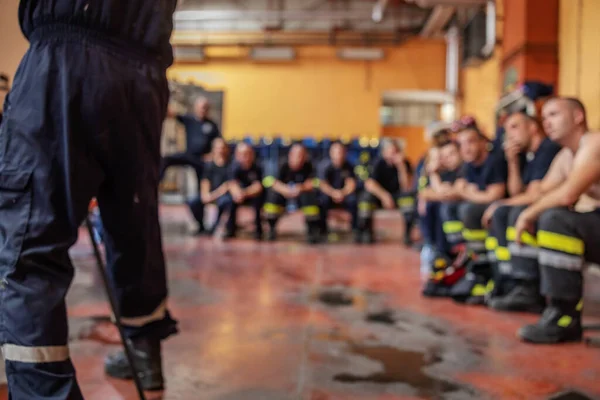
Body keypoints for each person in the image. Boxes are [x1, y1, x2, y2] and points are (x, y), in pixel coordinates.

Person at [0, 0, 178, 397]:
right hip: (142, 71)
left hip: (62, 55)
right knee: (134, 231)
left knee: (32, 251)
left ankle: (42, 393)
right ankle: (144, 355)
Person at [510, 97, 600, 344]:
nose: (546, 122)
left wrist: (528, 214)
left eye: (553, 114)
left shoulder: (594, 142)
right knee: (545, 214)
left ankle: (564, 317)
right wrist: (503, 206)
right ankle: (526, 290)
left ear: (578, 116)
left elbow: (568, 193)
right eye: (544, 117)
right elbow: (541, 193)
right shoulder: (565, 156)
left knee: (557, 220)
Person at [480, 112, 561, 310]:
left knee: (512, 212)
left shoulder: (547, 149)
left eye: (515, 127)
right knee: (502, 213)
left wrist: (500, 203)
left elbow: (535, 195)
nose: (510, 135)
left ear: (533, 127)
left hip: (556, 210)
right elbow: (518, 191)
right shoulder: (528, 156)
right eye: (507, 131)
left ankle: (529, 288)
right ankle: (507, 280)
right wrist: (513, 162)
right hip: (541, 204)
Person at [437, 125, 508, 303]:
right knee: (448, 207)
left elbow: (494, 195)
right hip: (483, 213)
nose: (466, 148)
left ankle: (484, 272)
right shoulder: (468, 166)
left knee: (467, 209)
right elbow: (455, 191)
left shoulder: (494, 161)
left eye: (471, 142)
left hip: (499, 212)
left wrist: (468, 192)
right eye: (461, 144)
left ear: (483, 142)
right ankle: (461, 255)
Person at [356, 139, 415, 244]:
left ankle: (407, 234)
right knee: (365, 199)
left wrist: (401, 167)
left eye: (396, 152)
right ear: (384, 152)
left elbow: (406, 187)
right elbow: (369, 184)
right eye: (391, 152)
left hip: (397, 196)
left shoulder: (405, 163)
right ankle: (365, 232)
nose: (393, 155)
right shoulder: (377, 163)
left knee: (408, 198)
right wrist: (385, 196)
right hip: (380, 197)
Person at [262, 144, 322, 243]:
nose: (299, 158)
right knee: (273, 197)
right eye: (297, 155)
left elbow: (315, 182)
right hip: (283, 194)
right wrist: (285, 190)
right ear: (290, 155)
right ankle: (271, 229)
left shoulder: (309, 165)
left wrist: (301, 188)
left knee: (310, 198)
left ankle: (312, 231)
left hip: (301, 194)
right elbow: (270, 181)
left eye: (302, 155)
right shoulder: (281, 164)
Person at [160, 97, 221, 184]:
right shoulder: (189, 120)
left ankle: (201, 194)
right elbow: (172, 114)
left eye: (205, 107)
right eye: (201, 107)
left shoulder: (212, 125)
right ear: (196, 108)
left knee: (205, 174)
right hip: (189, 155)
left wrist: (212, 155)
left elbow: (219, 142)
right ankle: (156, 183)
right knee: (166, 159)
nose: (203, 110)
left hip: (202, 159)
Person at [187, 138, 233, 236]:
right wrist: (206, 195)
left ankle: (216, 227)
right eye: (218, 148)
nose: (220, 150)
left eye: (223, 148)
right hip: (211, 193)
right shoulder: (209, 165)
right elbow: (205, 181)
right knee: (193, 201)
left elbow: (227, 186)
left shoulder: (231, 165)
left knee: (225, 202)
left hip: (223, 195)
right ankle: (201, 225)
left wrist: (213, 196)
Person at [316, 141, 358, 240]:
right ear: (331, 153)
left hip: (344, 195)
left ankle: (356, 229)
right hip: (329, 195)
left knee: (354, 201)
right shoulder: (324, 166)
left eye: (341, 152)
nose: (339, 154)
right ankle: (321, 230)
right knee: (322, 201)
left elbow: (351, 184)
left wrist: (342, 193)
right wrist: (333, 193)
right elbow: (323, 184)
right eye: (336, 152)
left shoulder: (349, 166)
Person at [227, 142, 264, 240]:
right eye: (242, 154)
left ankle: (258, 230)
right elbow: (232, 184)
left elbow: (258, 187)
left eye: (248, 153)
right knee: (230, 201)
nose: (245, 157)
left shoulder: (257, 167)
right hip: (239, 195)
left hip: (253, 195)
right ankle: (230, 229)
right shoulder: (233, 167)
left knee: (258, 201)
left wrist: (244, 193)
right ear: (237, 155)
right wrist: (237, 194)